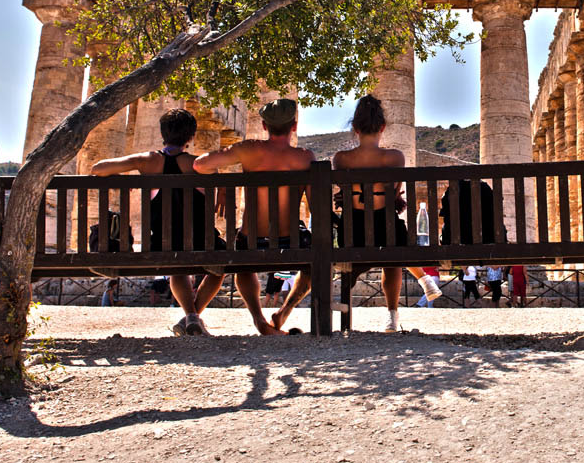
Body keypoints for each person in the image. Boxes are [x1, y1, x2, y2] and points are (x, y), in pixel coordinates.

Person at [285, 95, 440, 333]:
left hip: (353, 233)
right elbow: (394, 195)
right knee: (393, 251)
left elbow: (344, 196)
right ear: (383, 128)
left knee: (381, 240)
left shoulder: (341, 159)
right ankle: (394, 313)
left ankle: (351, 310)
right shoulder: (396, 158)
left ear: (355, 128)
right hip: (387, 232)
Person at [91, 108, 223, 335]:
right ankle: (192, 317)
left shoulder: (147, 161)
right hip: (204, 241)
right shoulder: (199, 164)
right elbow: (218, 188)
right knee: (218, 268)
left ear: (163, 133)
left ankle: (191, 316)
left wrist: (124, 179)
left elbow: (98, 169)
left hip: (162, 243)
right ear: (191, 136)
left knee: (177, 268)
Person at [194, 98, 315, 335]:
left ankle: (259, 320)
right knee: (314, 263)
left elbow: (200, 165)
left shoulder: (248, 150)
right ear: (294, 126)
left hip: (250, 241)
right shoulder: (305, 157)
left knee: (243, 265)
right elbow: (316, 206)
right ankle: (284, 312)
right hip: (291, 241)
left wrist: (223, 183)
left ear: (263, 125)